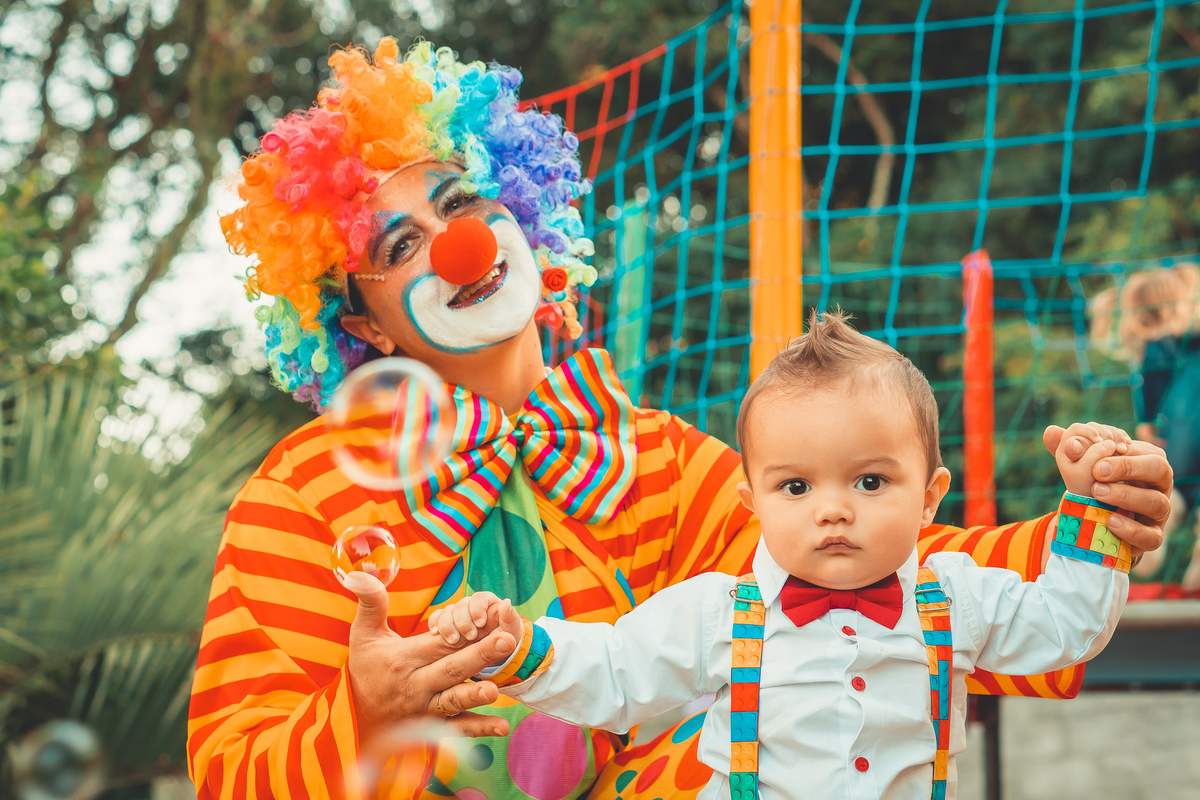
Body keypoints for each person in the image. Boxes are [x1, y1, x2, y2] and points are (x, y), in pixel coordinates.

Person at [187, 38, 1173, 800]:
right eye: (401, 246)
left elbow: (885, 563)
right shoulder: (301, 499)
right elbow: (231, 767)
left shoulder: (655, 460)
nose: (458, 248)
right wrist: (361, 710)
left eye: (465, 202)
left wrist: (1091, 526)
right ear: (359, 321)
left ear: (523, 209)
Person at [430, 312, 1132, 799]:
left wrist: (1095, 510)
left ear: (929, 498)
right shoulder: (719, 612)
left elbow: (1067, 625)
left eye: (870, 481)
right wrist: (520, 645)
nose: (833, 509)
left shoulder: (957, 598)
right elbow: (615, 673)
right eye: (796, 487)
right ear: (752, 504)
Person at [1090, 264, 1200, 587]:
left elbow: (1151, 384)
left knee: (1174, 489)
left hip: (1181, 430)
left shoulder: (1157, 344)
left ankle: (1155, 532)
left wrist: (1148, 424)